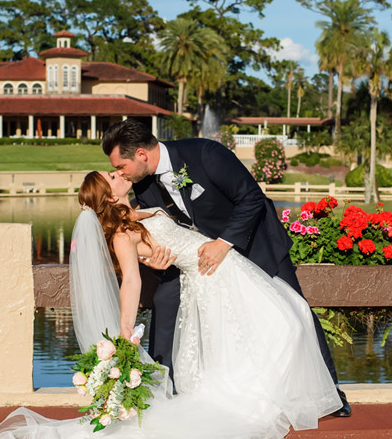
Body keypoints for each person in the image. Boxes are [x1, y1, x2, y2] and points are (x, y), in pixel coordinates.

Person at [0, 171, 341, 439]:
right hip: (210, 277)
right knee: (285, 323)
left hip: (224, 267)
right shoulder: (121, 235)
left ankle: (268, 393)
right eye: (112, 177)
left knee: (285, 319)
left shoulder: (136, 211)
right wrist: (126, 331)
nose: (118, 174)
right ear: (110, 195)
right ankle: (257, 399)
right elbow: (131, 280)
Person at [101, 119, 351, 417]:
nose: (120, 172)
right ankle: (167, 386)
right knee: (167, 301)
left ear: (141, 154)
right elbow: (161, 230)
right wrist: (155, 260)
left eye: (121, 165)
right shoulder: (143, 185)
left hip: (255, 244)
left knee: (295, 311)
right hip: (204, 264)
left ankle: (329, 393)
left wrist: (224, 242)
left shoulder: (205, 154)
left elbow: (252, 197)